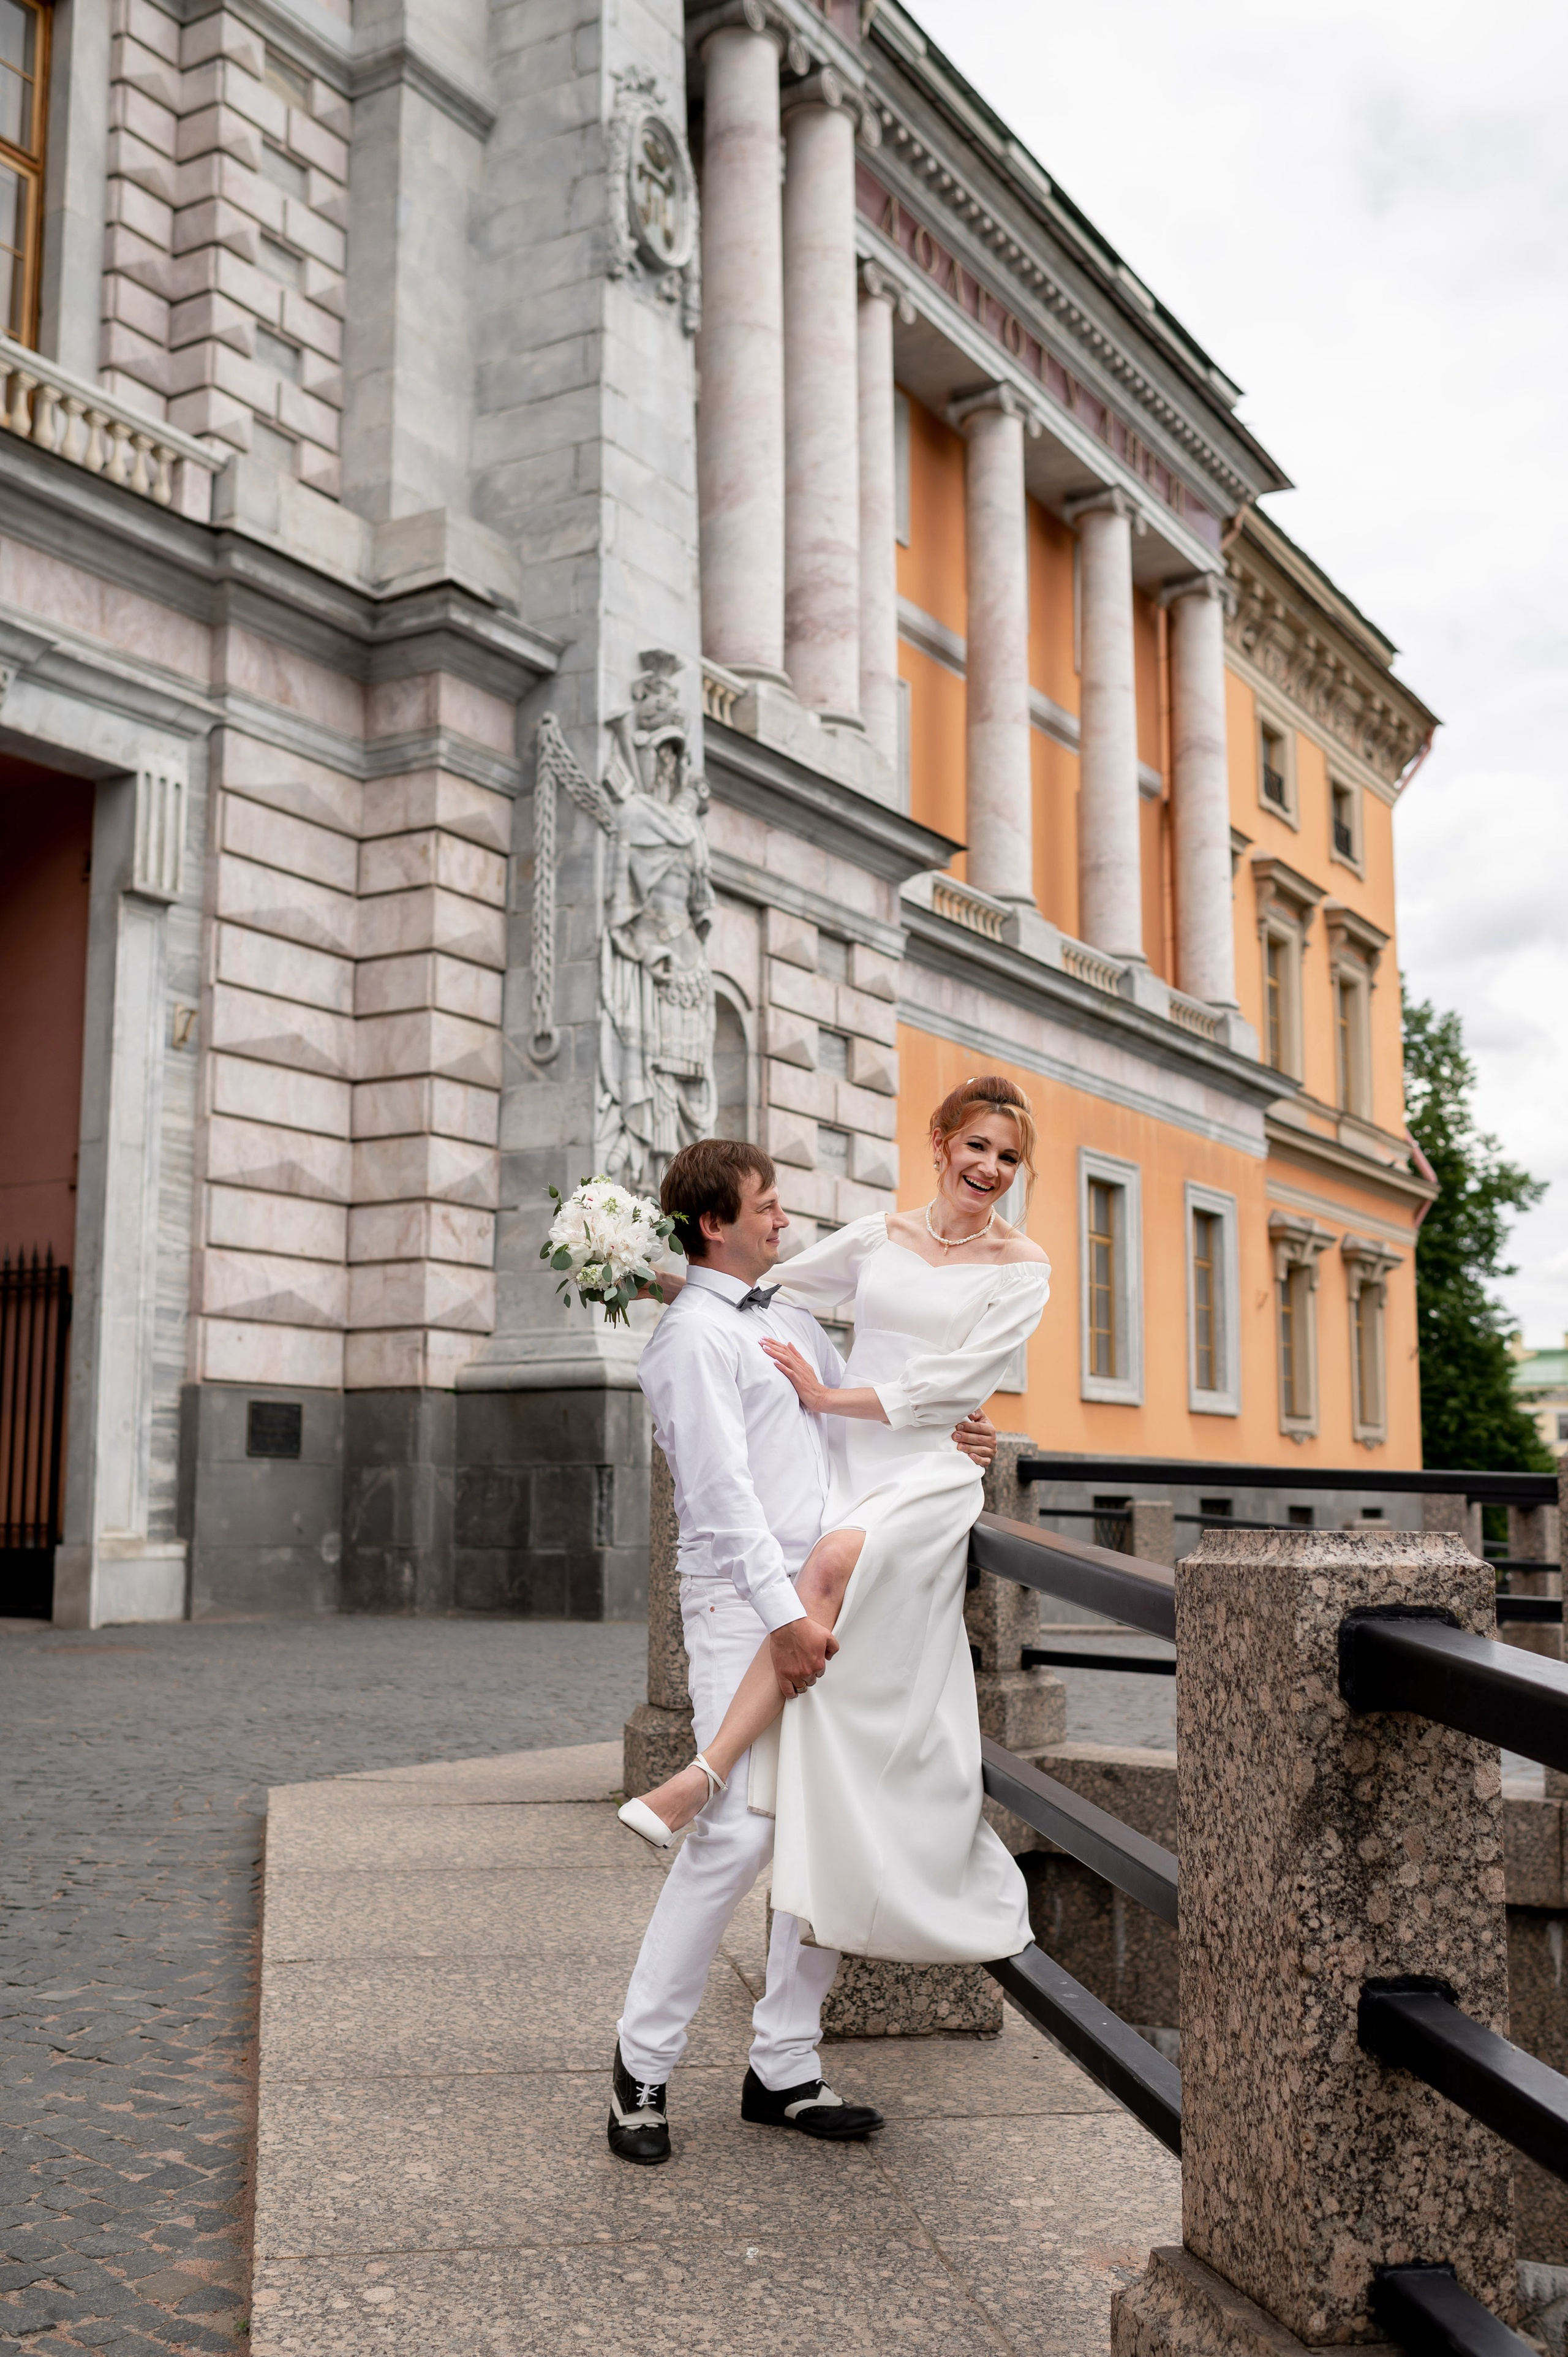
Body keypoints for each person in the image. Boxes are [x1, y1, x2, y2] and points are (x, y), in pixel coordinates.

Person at [608, 1137, 998, 2166]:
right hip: (746, 1604)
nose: (785, 1221)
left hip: (836, 1592)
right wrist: (783, 1617)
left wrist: (952, 1441)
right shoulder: (688, 1341)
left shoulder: (785, 1317)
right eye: (767, 1206)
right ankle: (640, 2069)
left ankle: (783, 2065)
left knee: (828, 1827)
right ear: (714, 1224)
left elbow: (848, 1434)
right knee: (735, 1835)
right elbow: (721, 1498)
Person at [625, 1075, 1050, 1968]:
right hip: (850, 1460)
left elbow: (950, 1381)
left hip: (927, 1463)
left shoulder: (1025, 1267)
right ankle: (784, 2049)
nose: (991, 1168)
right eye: (977, 1146)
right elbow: (763, 1287)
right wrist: (648, 1272)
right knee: (825, 1753)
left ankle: (698, 1777)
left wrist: (837, 1395)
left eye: (1008, 1157)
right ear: (940, 1142)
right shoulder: (876, 1238)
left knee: (830, 1562)